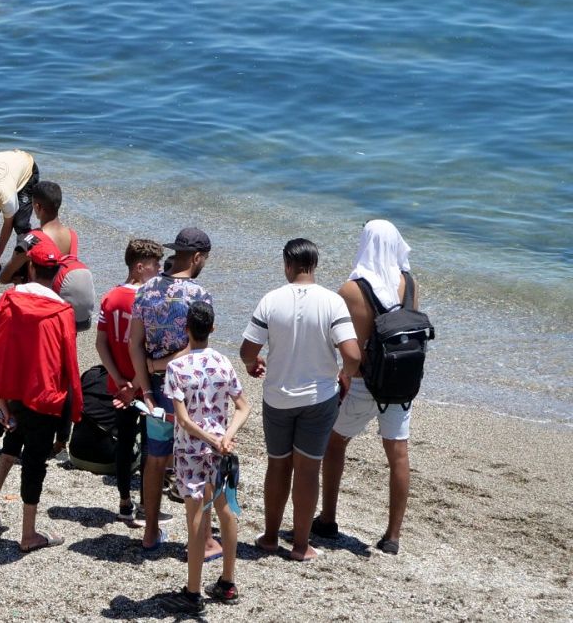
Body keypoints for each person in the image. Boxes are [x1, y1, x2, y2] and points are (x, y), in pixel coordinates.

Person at [238, 238, 360, 561]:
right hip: (319, 399)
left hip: (278, 397)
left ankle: (269, 537)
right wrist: (345, 376)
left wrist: (252, 365)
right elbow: (352, 355)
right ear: (314, 265)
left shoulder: (271, 300)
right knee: (308, 470)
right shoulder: (333, 302)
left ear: (287, 265)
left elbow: (247, 351)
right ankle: (301, 546)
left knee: (278, 465)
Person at [316, 220, 419, 556]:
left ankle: (327, 519)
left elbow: (350, 348)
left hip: (365, 383)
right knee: (398, 454)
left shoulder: (351, 290)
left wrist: (344, 378)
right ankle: (392, 536)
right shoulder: (410, 283)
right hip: (401, 383)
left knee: (335, 442)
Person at [0, 247, 82, 550]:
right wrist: (68, 421)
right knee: (35, 461)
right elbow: (69, 366)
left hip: (13, 388)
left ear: (31, 269)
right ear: (58, 275)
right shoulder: (62, 312)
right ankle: (28, 534)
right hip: (44, 395)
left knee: (13, 438)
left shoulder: (10, 298)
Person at [127, 226, 213, 551]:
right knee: (196, 458)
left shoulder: (146, 289)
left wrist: (147, 387)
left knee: (156, 458)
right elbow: (195, 349)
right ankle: (202, 538)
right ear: (198, 257)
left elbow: (134, 344)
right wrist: (158, 367)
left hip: (157, 390)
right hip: (190, 391)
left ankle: (150, 532)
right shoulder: (199, 296)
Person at [165, 302, 250, 613]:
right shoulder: (222, 362)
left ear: (186, 328)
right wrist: (225, 436)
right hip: (219, 448)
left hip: (190, 449)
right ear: (213, 328)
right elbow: (243, 407)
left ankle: (193, 592)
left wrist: (213, 438)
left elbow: (184, 420)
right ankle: (228, 582)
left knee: (196, 517)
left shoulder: (176, 368)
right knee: (226, 510)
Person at [94, 238, 166, 525]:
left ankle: (124, 503)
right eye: (155, 265)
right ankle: (147, 505)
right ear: (139, 267)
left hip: (119, 384)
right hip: (145, 385)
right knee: (149, 445)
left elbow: (101, 344)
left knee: (124, 442)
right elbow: (148, 348)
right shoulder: (150, 300)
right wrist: (135, 385)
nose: (159, 270)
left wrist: (118, 380)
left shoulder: (110, 297)